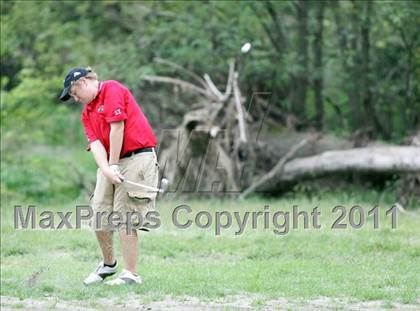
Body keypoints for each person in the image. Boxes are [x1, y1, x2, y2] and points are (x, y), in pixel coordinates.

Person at [59, 67, 159, 285]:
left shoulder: (111, 89)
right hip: (112, 163)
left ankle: (131, 274)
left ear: (85, 81)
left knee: (126, 216)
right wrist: (106, 169)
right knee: (99, 213)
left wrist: (113, 164)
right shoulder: (87, 113)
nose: (75, 98)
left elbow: (117, 127)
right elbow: (95, 144)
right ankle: (108, 264)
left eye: (75, 92)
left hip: (136, 158)